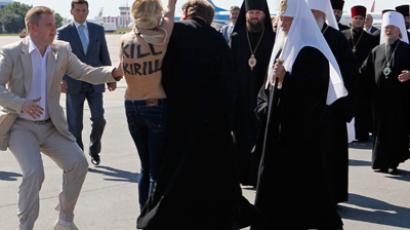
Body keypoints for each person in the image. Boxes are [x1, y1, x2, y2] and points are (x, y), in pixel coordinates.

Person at [0, 6, 122, 230]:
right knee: (34, 173)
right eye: (49, 25)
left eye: (55, 24)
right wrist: (21, 104)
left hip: (51, 125)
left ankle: (65, 221)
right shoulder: (12, 53)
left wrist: (112, 73)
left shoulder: (61, 50)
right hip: (21, 126)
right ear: (32, 28)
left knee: (78, 163)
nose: (54, 29)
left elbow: (84, 71)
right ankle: (25, 227)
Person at [136, 0, 242, 229]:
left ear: (185, 13)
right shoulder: (218, 40)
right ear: (209, 17)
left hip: (178, 116)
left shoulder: (175, 32)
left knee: (173, 174)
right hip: (213, 122)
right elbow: (231, 84)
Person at [252, 0, 346, 228]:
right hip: (277, 129)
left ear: (300, 20)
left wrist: (287, 80)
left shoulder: (312, 51)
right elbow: (268, 89)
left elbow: (315, 93)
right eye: (280, 18)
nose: (281, 23)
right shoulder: (283, 47)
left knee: (305, 182)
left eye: (287, 19)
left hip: (302, 132)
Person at [119, 0, 176, 210]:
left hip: (131, 103)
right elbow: (170, 13)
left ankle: (144, 211)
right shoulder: (161, 38)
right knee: (156, 166)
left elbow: (121, 69)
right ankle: (153, 214)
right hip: (154, 102)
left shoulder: (125, 40)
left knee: (144, 165)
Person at [307, 0, 357, 204]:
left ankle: (331, 197)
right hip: (306, 107)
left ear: (323, 13)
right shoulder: (301, 36)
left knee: (330, 154)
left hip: (331, 108)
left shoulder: (336, 38)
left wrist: (346, 105)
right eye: (309, 12)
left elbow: (349, 74)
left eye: (315, 13)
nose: (312, 17)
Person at [57, 0, 115, 166]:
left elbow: (104, 54)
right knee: (75, 125)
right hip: (73, 83)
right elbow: (59, 60)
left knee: (99, 119)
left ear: (88, 11)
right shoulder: (64, 32)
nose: (81, 13)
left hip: (95, 82)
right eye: (78, 10)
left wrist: (110, 77)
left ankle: (94, 149)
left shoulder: (97, 30)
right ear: (72, 11)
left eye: (84, 10)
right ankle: (79, 156)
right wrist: (61, 80)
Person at [230, 0, 274, 187]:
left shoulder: (272, 37)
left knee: (261, 136)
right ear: (245, 15)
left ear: (264, 14)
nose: (255, 16)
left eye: (258, 12)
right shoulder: (236, 37)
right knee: (240, 136)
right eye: (251, 13)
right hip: (240, 96)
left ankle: (260, 175)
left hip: (264, 97)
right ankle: (241, 175)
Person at [360, 11, 410, 174]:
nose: (388, 30)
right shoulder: (376, 50)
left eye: (392, 28)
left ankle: (392, 162)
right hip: (379, 98)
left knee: (396, 130)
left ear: (399, 31)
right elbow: (364, 72)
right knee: (379, 131)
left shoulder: (407, 49)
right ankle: (379, 162)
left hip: (399, 98)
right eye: (386, 27)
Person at [342, 5, 378, 142]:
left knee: (362, 107)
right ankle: (346, 134)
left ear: (364, 20)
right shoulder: (343, 35)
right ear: (352, 19)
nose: (358, 20)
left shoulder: (371, 39)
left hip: (363, 79)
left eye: (361, 18)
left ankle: (361, 134)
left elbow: (373, 59)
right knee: (346, 105)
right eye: (356, 18)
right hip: (346, 77)